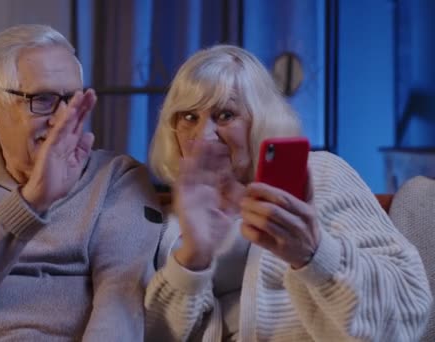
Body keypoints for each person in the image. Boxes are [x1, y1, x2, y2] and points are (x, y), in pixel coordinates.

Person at [144, 44, 432, 341]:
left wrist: (314, 254)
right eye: (189, 117)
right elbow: (145, 333)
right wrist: (192, 258)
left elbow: (407, 311)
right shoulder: (159, 218)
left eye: (225, 114)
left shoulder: (319, 175)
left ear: (260, 121)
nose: (203, 136)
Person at [0, 24, 162, 341]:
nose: (62, 118)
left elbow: (121, 303)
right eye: (42, 100)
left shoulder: (117, 178)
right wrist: (30, 202)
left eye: (72, 99)